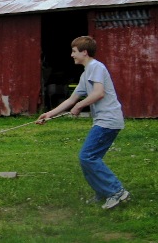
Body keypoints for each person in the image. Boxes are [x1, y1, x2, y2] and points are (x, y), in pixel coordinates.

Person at [36, 35, 129, 210]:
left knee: (87, 157)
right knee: (90, 158)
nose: (72, 55)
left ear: (84, 52)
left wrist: (80, 106)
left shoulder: (96, 67)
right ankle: (103, 191)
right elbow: (71, 99)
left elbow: (99, 93)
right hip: (104, 120)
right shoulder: (87, 73)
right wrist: (48, 114)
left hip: (108, 120)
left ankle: (116, 191)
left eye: (74, 51)